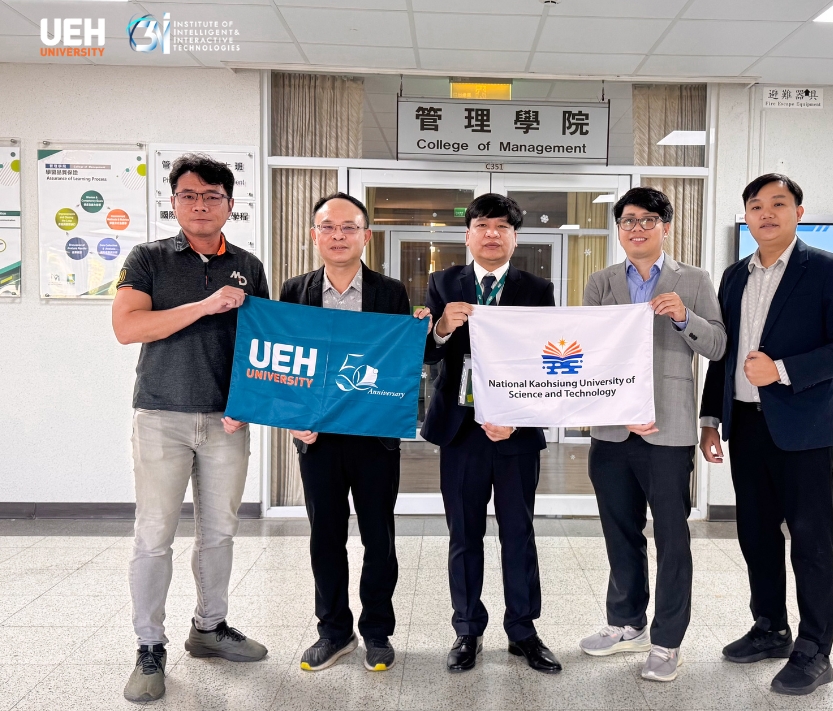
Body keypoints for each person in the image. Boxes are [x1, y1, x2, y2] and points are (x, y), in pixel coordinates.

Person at [699, 174, 833, 695]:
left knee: (810, 542)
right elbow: (724, 352)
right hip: (746, 424)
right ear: (746, 216)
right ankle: (770, 627)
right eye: (756, 206)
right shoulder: (734, 275)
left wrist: (782, 370)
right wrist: (711, 419)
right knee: (756, 535)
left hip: (803, 431)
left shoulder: (828, 270)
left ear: (799, 211)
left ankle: (815, 649)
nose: (767, 213)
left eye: (778, 203)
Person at [112, 154, 270, 703]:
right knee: (154, 535)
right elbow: (127, 327)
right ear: (174, 202)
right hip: (162, 416)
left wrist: (250, 403)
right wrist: (204, 306)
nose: (200, 205)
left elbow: (262, 345)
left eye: (211, 196)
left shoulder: (248, 264)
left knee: (220, 533)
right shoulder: (148, 258)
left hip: (227, 421)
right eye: (189, 195)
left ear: (230, 204)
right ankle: (149, 646)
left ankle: (209, 628)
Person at [578, 187, 726, 682]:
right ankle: (627, 623)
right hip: (612, 431)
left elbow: (718, 346)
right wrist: (616, 407)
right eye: (627, 221)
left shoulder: (694, 280)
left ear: (665, 226)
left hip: (669, 429)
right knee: (620, 532)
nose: (636, 228)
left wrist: (684, 317)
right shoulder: (601, 281)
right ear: (618, 229)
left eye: (646, 220)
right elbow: (588, 352)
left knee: (672, 538)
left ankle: (667, 640)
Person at [279, 193, 430, 674]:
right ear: (314, 235)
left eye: (349, 228)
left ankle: (377, 631)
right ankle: (334, 631)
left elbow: (400, 361)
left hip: (374, 438)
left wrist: (420, 332)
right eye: (328, 227)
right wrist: (292, 418)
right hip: (317, 438)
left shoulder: (390, 292)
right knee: (325, 538)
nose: (338, 236)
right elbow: (284, 362)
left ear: (366, 236)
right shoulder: (294, 291)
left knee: (378, 538)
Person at [422, 193, 561, 674]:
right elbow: (428, 354)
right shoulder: (443, 283)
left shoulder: (537, 288)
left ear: (515, 238)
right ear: (468, 235)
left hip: (515, 432)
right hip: (461, 431)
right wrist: (441, 327)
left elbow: (545, 361)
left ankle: (523, 631)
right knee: (464, 534)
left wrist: (517, 416)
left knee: (518, 534)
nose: (492, 234)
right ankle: (467, 629)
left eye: (502, 226)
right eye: (482, 225)